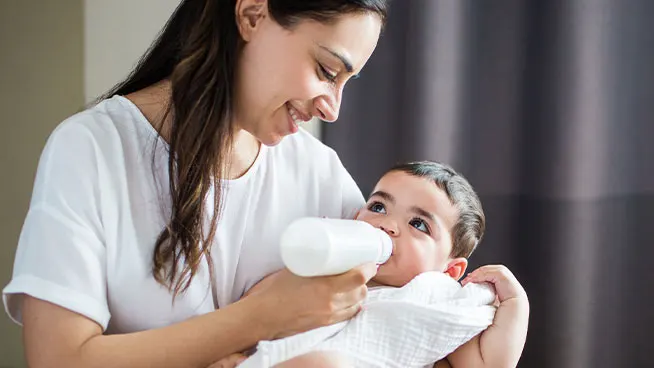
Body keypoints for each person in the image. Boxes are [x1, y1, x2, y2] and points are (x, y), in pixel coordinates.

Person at [3, 1, 388, 367]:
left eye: (346, 83)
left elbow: (403, 301)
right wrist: (262, 316)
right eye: (326, 70)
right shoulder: (93, 149)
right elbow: (58, 359)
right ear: (252, 15)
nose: (332, 109)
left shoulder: (318, 173)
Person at [216, 161, 530, 367]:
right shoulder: (323, 273)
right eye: (378, 206)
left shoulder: (435, 301)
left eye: (418, 225)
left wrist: (517, 305)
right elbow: (256, 309)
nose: (388, 225)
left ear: (449, 271)